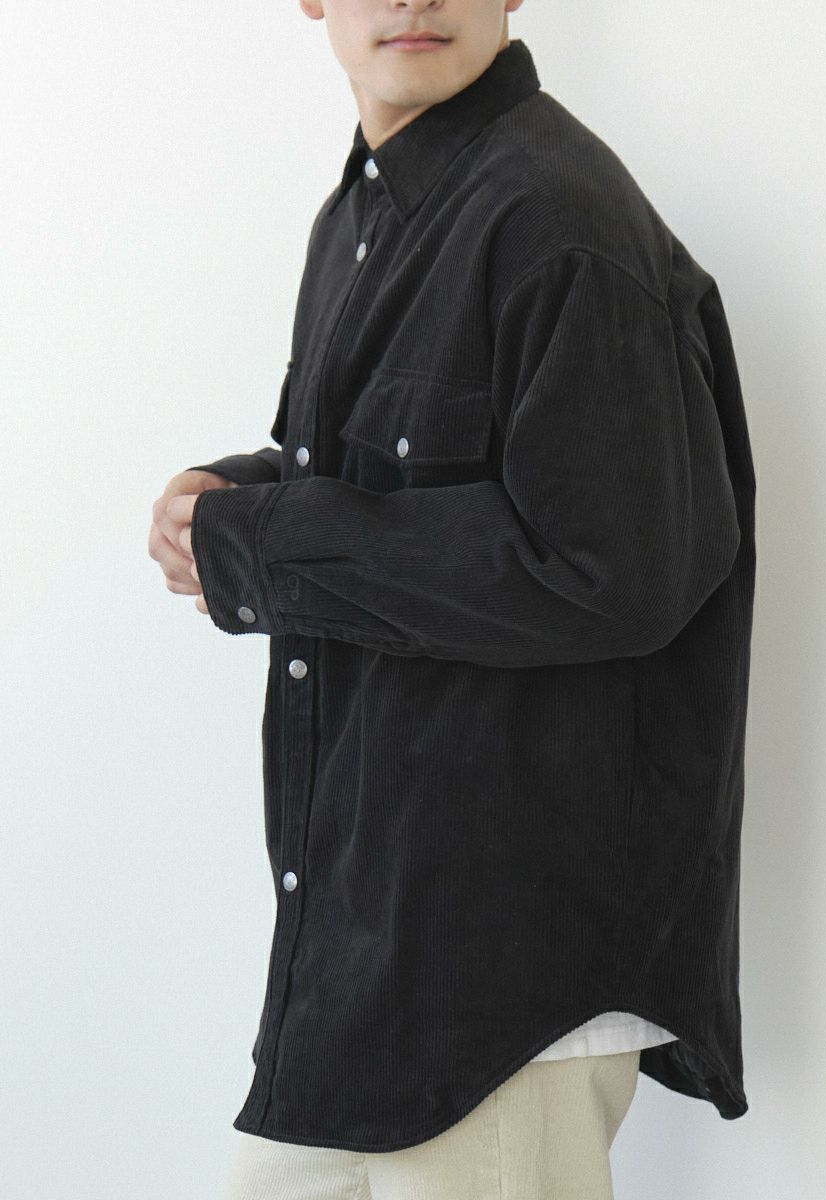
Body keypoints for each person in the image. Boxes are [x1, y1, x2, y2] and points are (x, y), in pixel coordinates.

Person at [148, 2, 756, 1197]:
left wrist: (267, 547)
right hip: (365, 949)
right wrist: (244, 500)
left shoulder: (557, 219)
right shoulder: (368, 212)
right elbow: (424, 484)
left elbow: (610, 569)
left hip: (506, 987)